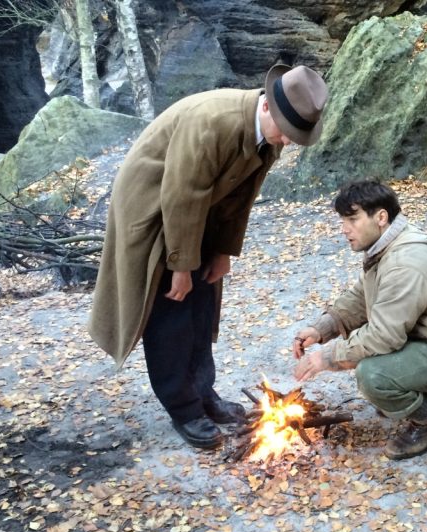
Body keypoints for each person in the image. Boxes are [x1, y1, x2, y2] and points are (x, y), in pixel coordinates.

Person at [88, 64, 328, 449]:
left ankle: (204, 394)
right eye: (286, 130)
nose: (287, 141)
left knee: (202, 305)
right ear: (267, 107)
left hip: (197, 215)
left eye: (295, 135)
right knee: (172, 311)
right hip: (153, 212)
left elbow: (241, 198)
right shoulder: (212, 122)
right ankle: (184, 409)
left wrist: (222, 251)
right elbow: (181, 195)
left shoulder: (269, 136)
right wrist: (181, 266)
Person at [292, 180, 427, 460]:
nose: (344, 229)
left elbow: (384, 336)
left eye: (352, 219)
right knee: (378, 371)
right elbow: (362, 296)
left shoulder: (406, 262)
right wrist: (322, 329)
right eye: (343, 220)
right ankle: (417, 389)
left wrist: (326, 358)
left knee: (373, 375)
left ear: (381, 217)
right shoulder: (388, 245)